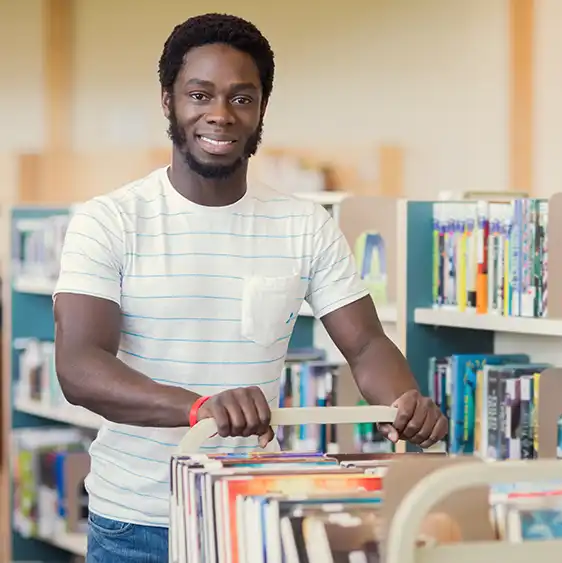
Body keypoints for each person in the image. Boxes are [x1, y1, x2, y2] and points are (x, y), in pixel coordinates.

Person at [52, 13, 447, 563]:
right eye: (199, 94)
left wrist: (403, 403)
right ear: (168, 102)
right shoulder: (110, 219)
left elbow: (365, 344)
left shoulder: (304, 224)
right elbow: (79, 366)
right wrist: (200, 408)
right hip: (138, 523)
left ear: (261, 109)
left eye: (242, 98)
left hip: (256, 513)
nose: (220, 114)